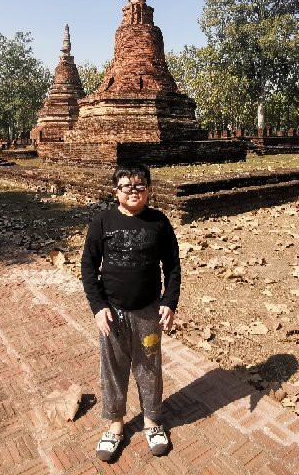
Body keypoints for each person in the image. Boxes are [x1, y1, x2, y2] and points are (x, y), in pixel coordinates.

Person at [80, 162, 180, 461]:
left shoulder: (159, 223)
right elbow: (88, 268)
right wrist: (98, 308)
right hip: (112, 312)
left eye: (139, 186)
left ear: (148, 190)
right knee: (113, 369)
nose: (133, 192)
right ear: (116, 192)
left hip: (148, 312)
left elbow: (173, 267)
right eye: (127, 187)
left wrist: (169, 302)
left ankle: (151, 420)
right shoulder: (103, 222)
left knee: (149, 368)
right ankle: (115, 424)